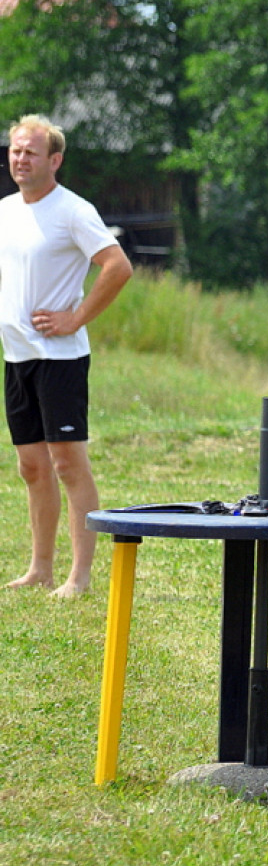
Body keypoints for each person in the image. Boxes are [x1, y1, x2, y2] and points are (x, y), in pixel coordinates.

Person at [1, 114, 133, 598]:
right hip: (16, 358)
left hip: (60, 361)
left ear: (54, 160)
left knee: (67, 465)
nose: (20, 159)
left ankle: (80, 575)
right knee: (31, 467)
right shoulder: (5, 211)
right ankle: (40, 568)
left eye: (30, 152)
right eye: (15, 150)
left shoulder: (74, 210)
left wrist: (75, 318)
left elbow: (118, 267)